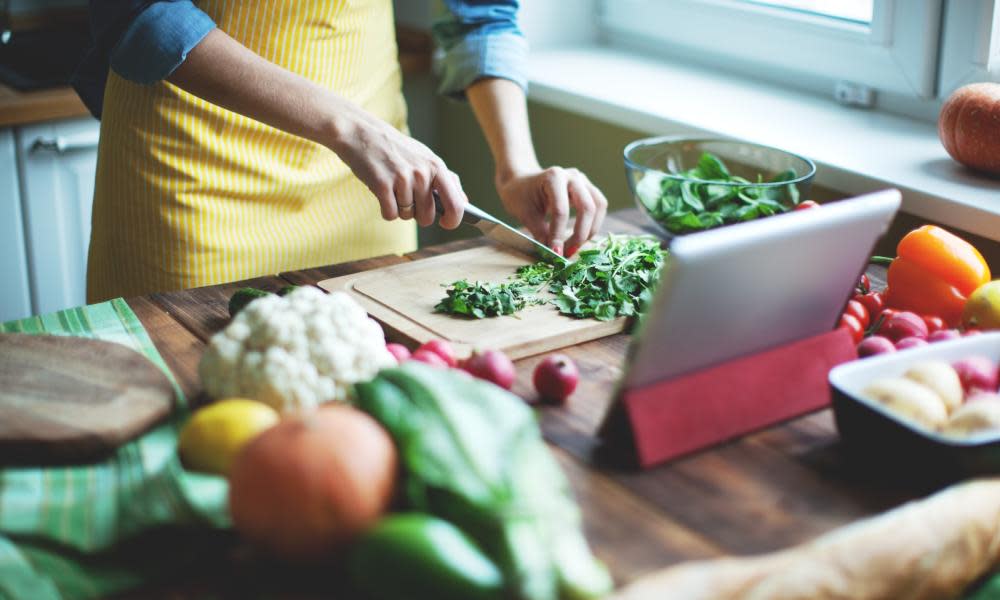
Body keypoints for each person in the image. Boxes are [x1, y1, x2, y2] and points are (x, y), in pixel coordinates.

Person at [74, 0, 608, 302]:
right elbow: (139, 15)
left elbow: (481, 15)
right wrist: (351, 130)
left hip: (370, 188)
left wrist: (517, 169)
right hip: (192, 176)